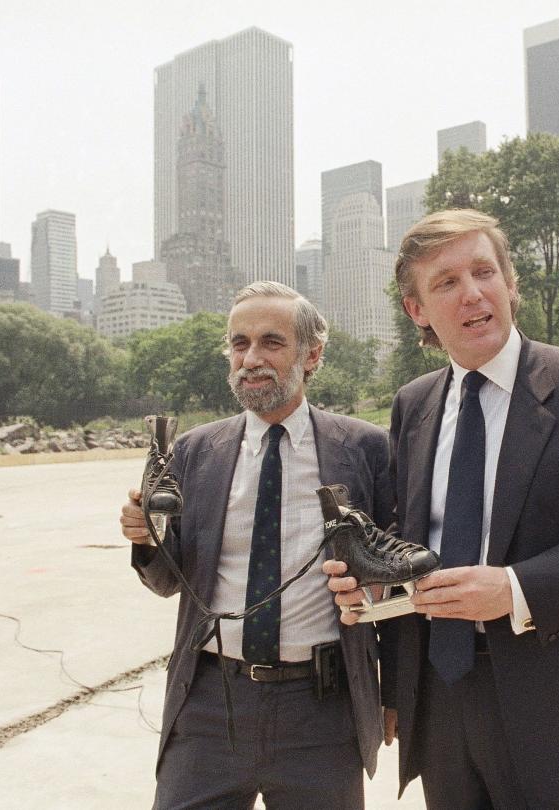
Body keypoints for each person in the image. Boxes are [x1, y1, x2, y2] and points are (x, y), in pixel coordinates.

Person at [327, 209, 559, 808]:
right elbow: (411, 543)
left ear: (510, 282)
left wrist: (517, 589)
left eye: (483, 272)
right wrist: (372, 593)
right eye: (445, 282)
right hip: (443, 704)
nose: (472, 293)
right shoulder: (412, 406)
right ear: (417, 311)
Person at [121, 281, 391, 810]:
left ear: (312, 355)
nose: (251, 358)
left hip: (322, 709)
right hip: (208, 706)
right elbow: (167, 581)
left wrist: (398, 692)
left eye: (271, 342)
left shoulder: (365, 450)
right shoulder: (195, 451)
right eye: (239, 343)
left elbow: (394, 572)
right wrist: (147, 542)